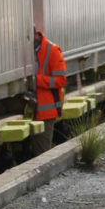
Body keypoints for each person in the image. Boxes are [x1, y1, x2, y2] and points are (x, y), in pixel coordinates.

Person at [30, 28, 67, 157]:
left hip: (46, 112)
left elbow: (61, 80)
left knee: (41, 154)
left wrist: (37, 81)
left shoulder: (52, 50)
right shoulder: (30, 51)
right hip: (32, 109)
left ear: (36, 35)